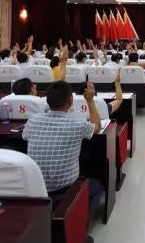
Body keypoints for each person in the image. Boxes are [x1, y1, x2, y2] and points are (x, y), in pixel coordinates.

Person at [23, 79, 103, 223]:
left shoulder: (32, 120)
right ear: (70, 101)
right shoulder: (78, 123)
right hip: (65, 188)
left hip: (35, 186)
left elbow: (25, 137)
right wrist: (90, 100)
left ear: (47, 101)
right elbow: (97, 125)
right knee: (97, 186)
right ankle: (79, 227)